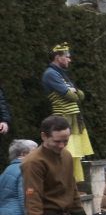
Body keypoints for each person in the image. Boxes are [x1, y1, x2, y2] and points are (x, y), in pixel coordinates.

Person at [42, 44, 93, 182]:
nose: (70, 60)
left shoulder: (61, 74)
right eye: (67, 57)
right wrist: (74, 92)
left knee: (75, 154)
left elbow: (80, 95)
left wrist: (74, 91)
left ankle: (74, 184)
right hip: (63, 117)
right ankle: (66, 183)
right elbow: (72, 96)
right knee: (66, 151)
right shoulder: (51, 74)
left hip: (73, 118)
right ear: (58, 57)